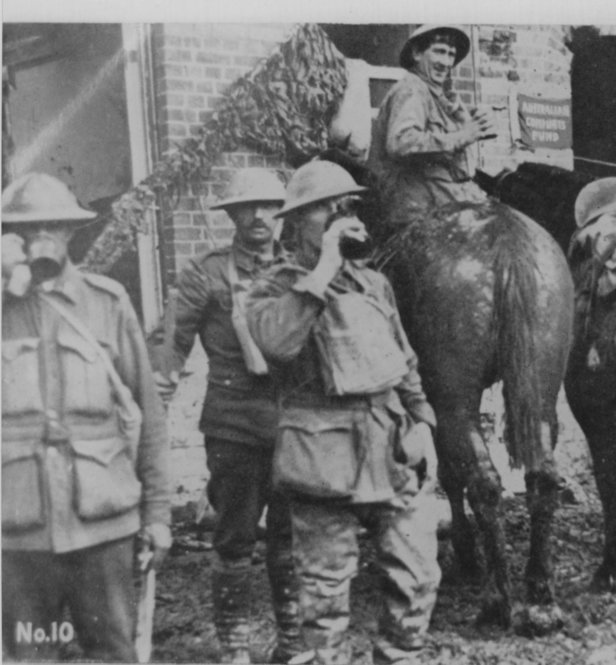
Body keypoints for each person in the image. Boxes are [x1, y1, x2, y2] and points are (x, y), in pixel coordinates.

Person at [245, 160, 439, 665]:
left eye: (346, 207)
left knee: (417, 576)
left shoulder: (374, 284)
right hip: (322, 456)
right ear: (296, 222)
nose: (340, 218)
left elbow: (405, 359)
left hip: (389, 445)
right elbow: (277, 345)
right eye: (326, 211)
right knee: (325, 596)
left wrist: (422, 421)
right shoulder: (273, 285)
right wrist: (324, 267)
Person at [1, 172, 172, 662]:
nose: (42, 239)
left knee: (112, 652)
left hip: (104, 529)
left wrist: (158, 515)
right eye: (25, 228)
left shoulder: (107, 303)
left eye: (53, 226)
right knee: (30, 656)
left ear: (72, 233)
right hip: (18, 535)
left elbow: (150, 419)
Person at [150, 167, 301, 663]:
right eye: (246, 207)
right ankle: (235, 642)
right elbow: (173, 338)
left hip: (294, 426)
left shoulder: (300, 270)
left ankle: (293, 641)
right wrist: (160, 385)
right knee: (235, 537)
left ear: (282, 213)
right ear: (233, 214)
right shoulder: (206, 272)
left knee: (290, 537)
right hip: (234, 425)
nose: (258, 216)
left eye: (268, 206)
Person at [367, 24, 496, 236]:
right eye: (439, 51)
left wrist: (473, 121)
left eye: (451, 54)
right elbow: (401, 141)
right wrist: (461, 136)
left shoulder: (435, 95)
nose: (446, 62)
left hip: (443, 200)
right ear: (417, 53)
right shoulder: (412, 88)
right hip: (415, 208)